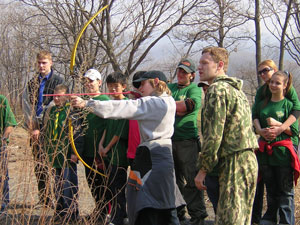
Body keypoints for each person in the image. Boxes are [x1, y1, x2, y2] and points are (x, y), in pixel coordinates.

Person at [71, 70, 185, 225]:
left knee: (148, 206)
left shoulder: (154, 103)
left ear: (156, 82)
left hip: (153, 157)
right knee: (165, 205)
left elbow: (124, 107)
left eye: (142, 84)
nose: (139, 88)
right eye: (137, 85)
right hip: (161, 156)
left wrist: (87, 103)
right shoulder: (168, 100)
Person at [194, 46, 258, 225]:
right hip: (247, 161)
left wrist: (203, 169)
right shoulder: (237, 90)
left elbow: (214, 137)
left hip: (234, 162)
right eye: (199, 63)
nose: (199, 67)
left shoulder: (217, 90)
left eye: (205, 63)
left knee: (229, 221)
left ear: (220, 65)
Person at [251, 60, 300, 224]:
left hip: (283, 152)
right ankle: (269, 219)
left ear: (285, 86)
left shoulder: (289, 103)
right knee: (270, 190)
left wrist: (279, 127)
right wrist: (260, 130)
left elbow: (294, 128)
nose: (272, 84)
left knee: (285, 192)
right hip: (266, 153)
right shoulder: (262, 98)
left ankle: (286, 221)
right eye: (261, 73)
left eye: (277, 82)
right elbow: (255, 116)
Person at [22, 50, 64, 206]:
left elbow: (56, 103)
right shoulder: (32, 83)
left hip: (51, 129)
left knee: (54, 165)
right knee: (39, 165)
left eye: (44, 62)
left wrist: (42, 125)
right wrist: (33, 126)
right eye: (39, 62)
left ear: (51, 63)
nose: (41, 65)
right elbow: (27, 106)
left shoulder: (58, 81)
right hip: (34, 130)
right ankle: (44, 198)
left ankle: (59, 200)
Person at [168, 59, 207, 225]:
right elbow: (158, 101)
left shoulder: (195, 89)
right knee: (173, 179)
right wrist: (176, 107)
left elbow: (189, 106)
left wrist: (169, 106)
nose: (180, 74)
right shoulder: (170, 88)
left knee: (191, 180)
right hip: (169, 140)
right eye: (179, 71)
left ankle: (197, 216)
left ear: (192, 75)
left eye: (184, 72)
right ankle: (178, 214)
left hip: (188, 141)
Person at [43, 84, 83, 222]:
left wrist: (74, 152)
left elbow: (77, 133)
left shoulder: (71, 111)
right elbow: (47, 131)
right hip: (55, 155)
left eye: (59, 96)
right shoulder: (52, 111)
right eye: (55, 95)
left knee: (68, 184)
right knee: (58, 184)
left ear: (66, 96)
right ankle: (59, 211)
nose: (56, 98)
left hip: (67, 154)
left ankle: (71, 213)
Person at [97, 71, 129, 225]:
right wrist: (100, 145)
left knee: (118, 187)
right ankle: (120, 215)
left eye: (116, 87)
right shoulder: (110, 104)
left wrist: (107, 148)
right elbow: (106, 127)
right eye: (110, 87)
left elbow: (119, 132)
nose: (113, 90)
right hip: (107, 153)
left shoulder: (127, 104)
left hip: (119, 154)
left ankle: (118, 217)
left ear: (124, 86)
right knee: (110, 185)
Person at [79, 68, 110, 221]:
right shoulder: (83, 101)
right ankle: (99, 210)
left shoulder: (105, 99)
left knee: (102, 184)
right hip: (87, 150)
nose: (88, 84)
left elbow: (109, 123)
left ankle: (106, 213)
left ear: (99, 82)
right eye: (86, 81)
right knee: (91, 183)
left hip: (101, 151)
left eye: (91, 81)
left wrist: (103, 146)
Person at [0, 95, 17, 215]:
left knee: (2, 176)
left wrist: (3, 139)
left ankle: (2, 204)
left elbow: (10, 123)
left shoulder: (2, 100)